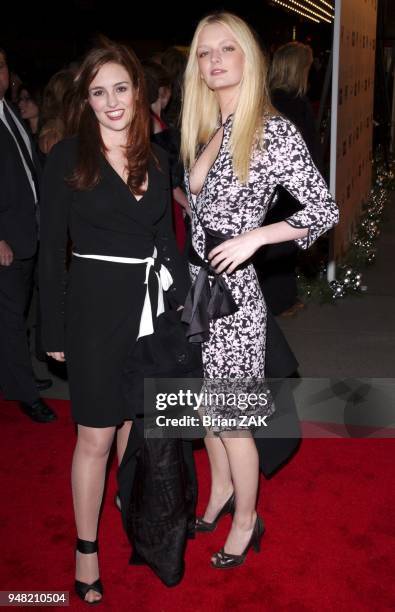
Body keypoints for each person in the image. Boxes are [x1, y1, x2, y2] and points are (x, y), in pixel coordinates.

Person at [181, 12, 339, 569]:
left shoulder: (269, 129)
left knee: (232, 420)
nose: (215, 60)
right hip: (203, 287)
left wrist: (258, 236)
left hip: (237, 299)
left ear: (250, 58)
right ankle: (221, 492)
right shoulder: (210, 126)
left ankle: (247, 521)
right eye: (205, 52)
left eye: (227, 48)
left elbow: (324, 210)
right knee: (210, 412)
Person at [39, 39, 191, 602]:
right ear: (85, 99)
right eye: (98, 92)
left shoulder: (156, 156)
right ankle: (85, 548)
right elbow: (52, 247)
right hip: (93, 310)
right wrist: (51, 331)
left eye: (120, 88)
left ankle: (130, 506)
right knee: (96, 435)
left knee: (135, 424)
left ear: (138, 90)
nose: (110, 102)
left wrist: (184, 303)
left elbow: (162, 240)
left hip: (147, 311)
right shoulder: (67, 157)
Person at [0, 47, 55, 423]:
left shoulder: (8, 111)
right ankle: (23, 391)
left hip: (27, 232)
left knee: (15, 314)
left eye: (1, 65)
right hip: (6, 239)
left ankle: (14, 376)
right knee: (9, 318)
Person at [256, 41, 323, 316]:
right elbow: (305, 151)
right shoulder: (293, 103)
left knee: (271, 244)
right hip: (288, 188)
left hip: (275, 187)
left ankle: (276, 300)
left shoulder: (269, 99)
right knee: (281, 245)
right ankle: (280, 302)